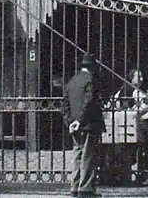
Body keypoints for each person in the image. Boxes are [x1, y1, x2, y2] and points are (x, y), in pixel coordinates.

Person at [61, 54, 105, 198]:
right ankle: (86, 189)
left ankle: (75, 186)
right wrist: (80, 120)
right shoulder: (90, 81)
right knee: (88, 156)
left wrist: (70, 121)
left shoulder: (72, 81)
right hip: (88, 124)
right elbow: (89, 102)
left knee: (78, 156)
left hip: (75, 126)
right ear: (92, 67)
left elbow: (65, 104)